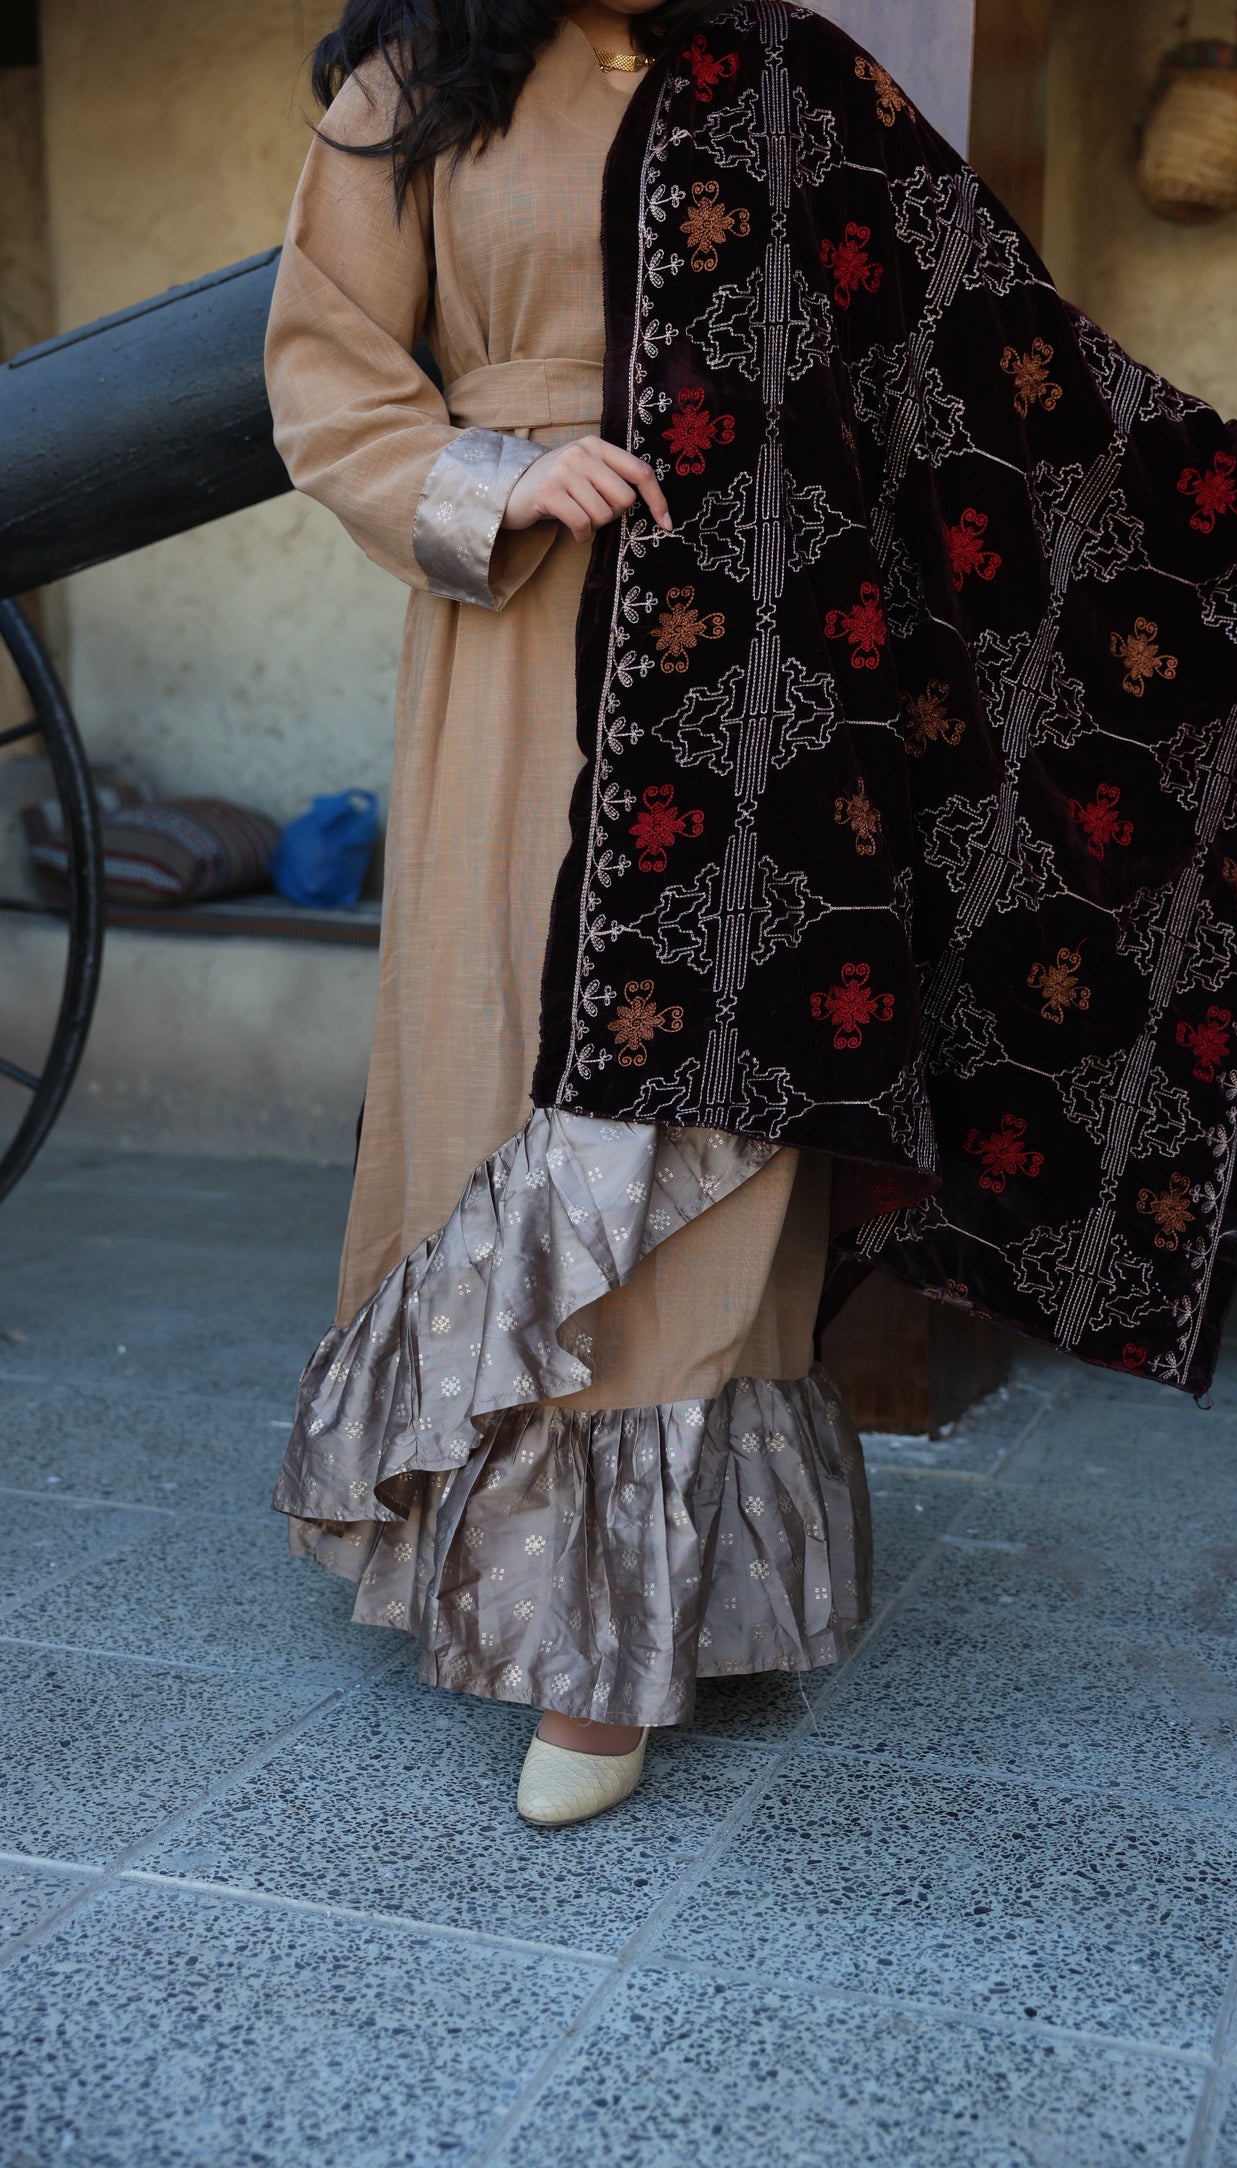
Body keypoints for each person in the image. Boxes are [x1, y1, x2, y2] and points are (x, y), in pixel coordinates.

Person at [266, 0, 872, 1827]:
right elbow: (329, 366)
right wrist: (499, 469)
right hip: (537, 642)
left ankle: (648, 1630)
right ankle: (554, 1617)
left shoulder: (791, 77)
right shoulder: (415, 85)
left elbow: (924, 349)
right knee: (529, 1060)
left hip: (770, 659)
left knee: (724, 1100)